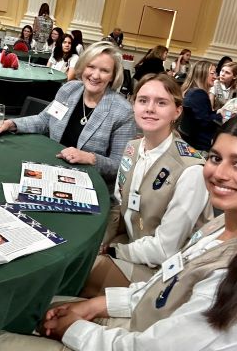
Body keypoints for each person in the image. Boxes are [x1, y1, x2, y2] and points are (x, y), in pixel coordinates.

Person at [0, 114, 237, 351]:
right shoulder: (226, 224)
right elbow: (164, 285)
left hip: (137, 342)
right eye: (216, 158)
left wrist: (75, 330)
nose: (219, 174)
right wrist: (92, 307)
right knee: (19, 306)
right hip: (141, 324)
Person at [81, 74, 211, 297]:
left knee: (85, 270)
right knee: (78, 256)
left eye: (161, 103)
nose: (150, 108)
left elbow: (165, 249)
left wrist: (114, 250)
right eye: (143, 100)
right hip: (133, 243)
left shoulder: (191, 170)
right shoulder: (132, 148)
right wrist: (102, 242)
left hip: (168, 270)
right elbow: (119, 208)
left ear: (177, 111)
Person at [0, 41, 137, 186]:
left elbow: (121, 165)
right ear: (83, 67)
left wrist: (91, 158)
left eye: (104, 70)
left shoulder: (122, 111)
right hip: (50, 169)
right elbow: (44, 121)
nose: (95, 75)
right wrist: (11, 123)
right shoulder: (69, 90)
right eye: (91, 67)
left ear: (113, 75)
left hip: (88, 183)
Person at [180, 61, 219, 150]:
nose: (215, 77)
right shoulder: (198, 94)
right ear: (202, 74)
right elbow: (206, 122)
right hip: (200, 144)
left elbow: (202, 117)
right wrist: (221, 114)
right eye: (212, 73)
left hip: (192, 140)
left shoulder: (191, 91)